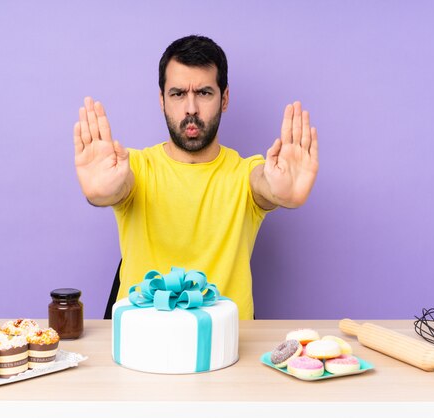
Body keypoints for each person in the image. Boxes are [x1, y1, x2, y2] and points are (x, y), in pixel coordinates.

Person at [73, 35, 318, 320]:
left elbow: (266, 185)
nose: (191, 108)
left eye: (204, 93)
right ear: (162, 100)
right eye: (177, 94)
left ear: (224, 99)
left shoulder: (245, 173)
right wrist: (100, 193)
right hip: (142, 348)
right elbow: (118, 188)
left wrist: (283, 192)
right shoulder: (133, 168)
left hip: (227, 351)